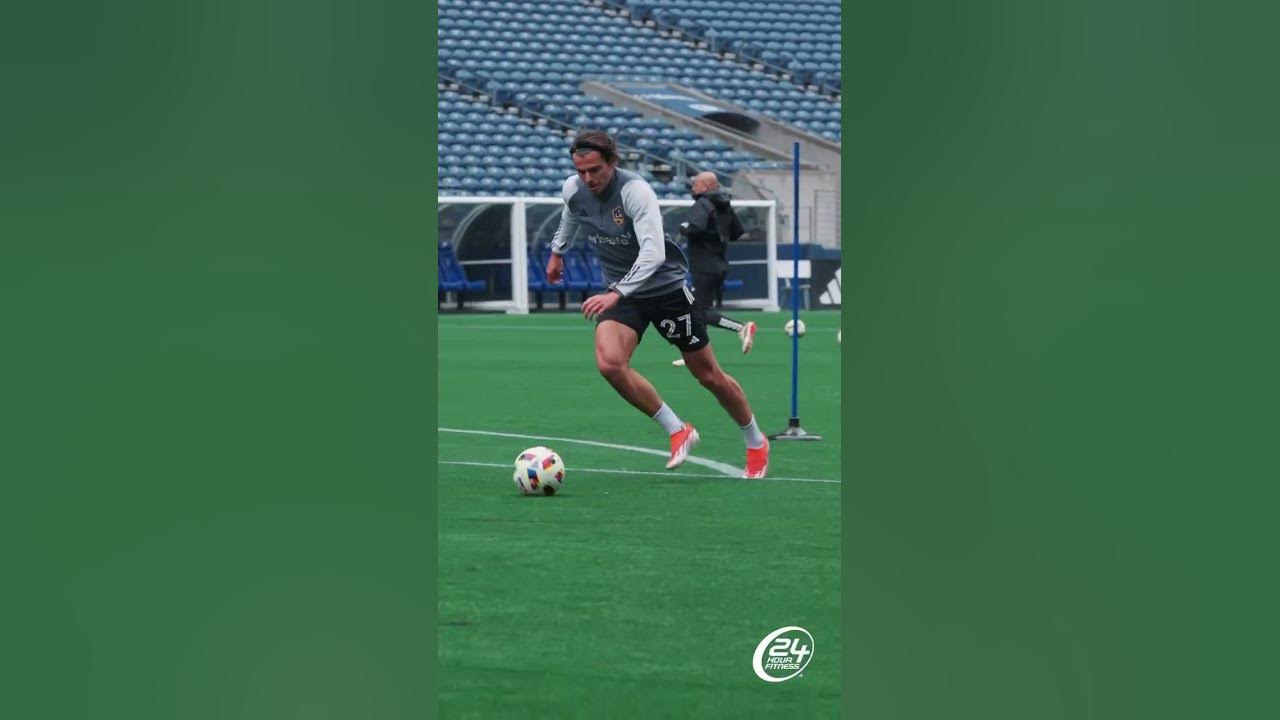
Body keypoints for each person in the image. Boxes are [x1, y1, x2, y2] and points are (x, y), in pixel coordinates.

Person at [547, 130, 769, 478]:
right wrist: (558, 252)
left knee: (708, 376)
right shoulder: (573, 189)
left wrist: (615, 292)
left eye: (595, 170)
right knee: (610, 364)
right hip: (622, 292)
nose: (588, 178)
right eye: (581, 171)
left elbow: (654, 253)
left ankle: (756, 442)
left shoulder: (635, 191)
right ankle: (678, 429)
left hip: (665, 289)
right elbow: (571, 214)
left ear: (612, 162)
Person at [671, 171, 758, 368]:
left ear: (706, 187)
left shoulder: (702, 204)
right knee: (695, 309)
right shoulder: (724, 205)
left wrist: (684, 228)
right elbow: (737, 232)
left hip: (703, 265)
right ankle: (695, 355)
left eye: (696, 184)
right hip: (719, 264)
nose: (693, 187)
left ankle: (741, 328)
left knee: (700, 311)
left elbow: (696, 228)